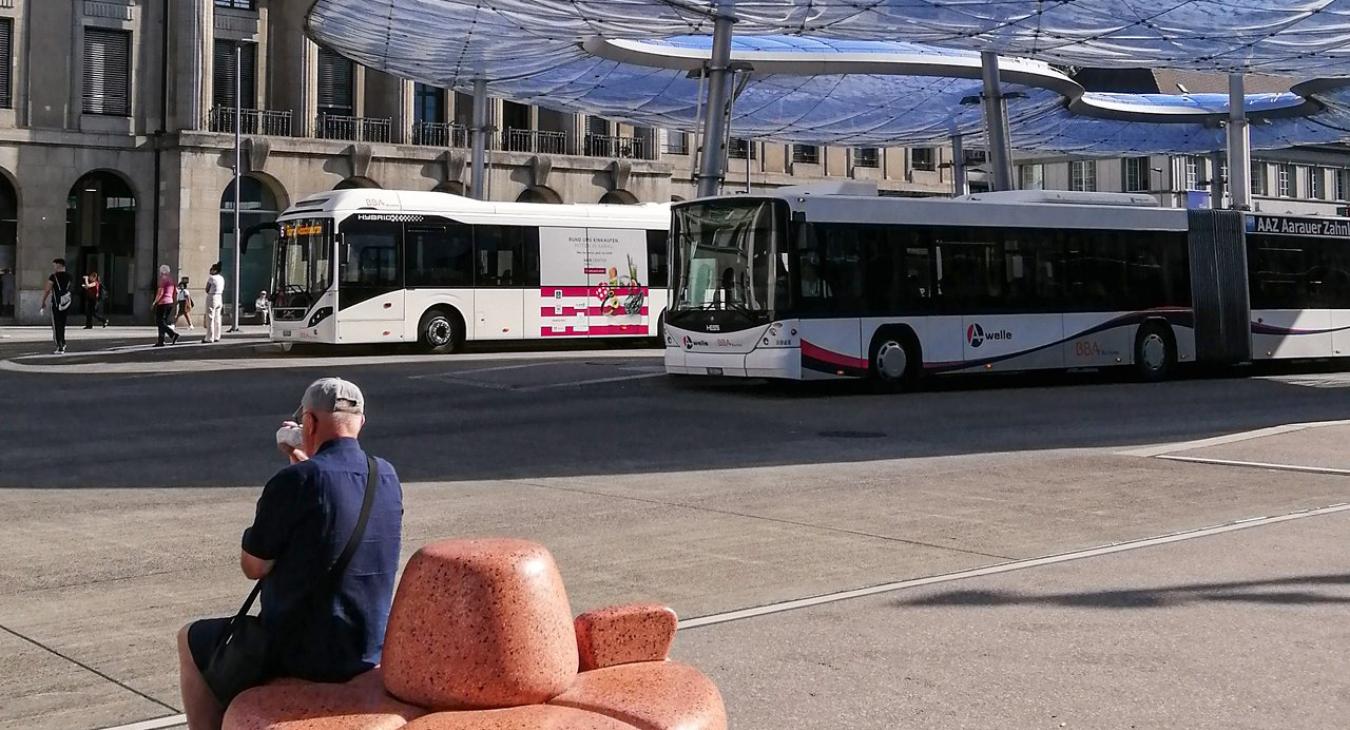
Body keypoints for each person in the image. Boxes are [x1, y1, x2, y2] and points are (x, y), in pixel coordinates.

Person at [177, 378, 403, 730]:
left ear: (309, 423)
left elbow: (254, 566)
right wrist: (302, 461)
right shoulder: (385, 475)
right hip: (368, 643)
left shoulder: (294, 483)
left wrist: (298, 469)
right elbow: (336, 511)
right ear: (361, 422)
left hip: (303, 651)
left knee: (190, 639)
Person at [40, 259, 75, 354]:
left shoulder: (53, 276)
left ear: (59, 265)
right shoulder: (70, 276)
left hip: (56, 303)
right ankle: (63, 342)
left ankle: (60, 345)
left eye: (54, 265)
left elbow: (47, 289)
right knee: (62, 324)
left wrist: (43, 301)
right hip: (66, 302)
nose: (54, 267)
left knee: (56, 324)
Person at [154, 265, 179, 347]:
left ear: (162, 272)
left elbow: (160, 293)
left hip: (162, 302)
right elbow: (175, 292)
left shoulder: (163, 280)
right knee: (163, 321)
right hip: (170, 302)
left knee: (159, 321)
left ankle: (172, 334)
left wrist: (155, 302)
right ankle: (161, 340)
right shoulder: (172, 280)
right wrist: (174, 302)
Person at [203, 263, 225, 344]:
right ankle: (217, 336)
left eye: (212, 269)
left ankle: (209, 337)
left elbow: (207, 289)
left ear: (215, 270)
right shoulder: (221, 278)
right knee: (217, 318)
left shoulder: (211, 278)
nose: (210, 270)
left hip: (212, 296)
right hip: (219, 297)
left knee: (210, 318)